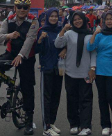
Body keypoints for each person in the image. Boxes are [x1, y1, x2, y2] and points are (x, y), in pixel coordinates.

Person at [0, 0, 39, 135]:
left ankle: (28, 119)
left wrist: (20, 55)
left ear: (28, 9)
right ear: (14, 8)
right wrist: (9, 35)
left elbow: (30, 39)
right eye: (19, 7)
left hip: (26, 56)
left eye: (25, 7)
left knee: (27, 87)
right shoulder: (8, 20)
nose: (21, 9)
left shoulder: (33, 20)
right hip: (11, 52)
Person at [55, 12, 96, 136]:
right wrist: (63, 29)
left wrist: (93, 68)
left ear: (84, 20)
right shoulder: (69, 34)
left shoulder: (90, 34)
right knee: (72, 99)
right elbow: (58, 43)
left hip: (85, 72)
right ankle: (74, 124)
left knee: (86, 100)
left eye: (80, 19)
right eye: (75, 20)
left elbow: (93, 52)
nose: (78, 21)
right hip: (70, 72)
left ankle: (86, 126)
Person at [87, 11, 112, 136]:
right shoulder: (99, 34)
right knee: (102, 99)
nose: (109, 21)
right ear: (103, 21)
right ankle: (106, 125)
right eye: (106, 19)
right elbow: (90, 47)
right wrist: (94, 33)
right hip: (100, 71)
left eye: (111, 19)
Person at [37, 8, 64, 136]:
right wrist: (40, 40)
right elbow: (38, 50)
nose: (53, 18)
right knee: (46, 98)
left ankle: (52, 122)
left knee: (56, 96)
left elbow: (65, 44)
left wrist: (65, 50)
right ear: (47, 17)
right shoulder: (42, 31)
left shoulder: (60, 30)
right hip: (47, 68)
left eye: (55, 16)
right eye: (51, 16)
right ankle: (46, 127)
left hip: (58, 68)